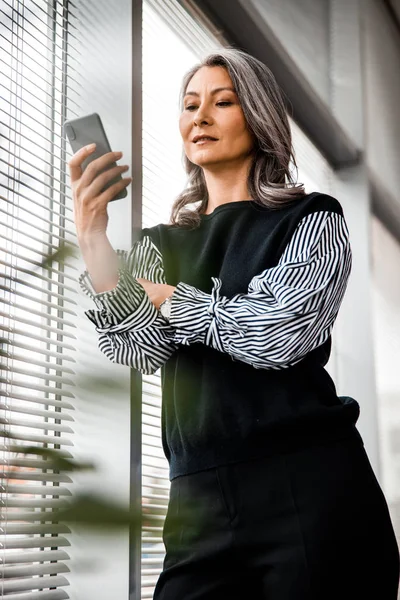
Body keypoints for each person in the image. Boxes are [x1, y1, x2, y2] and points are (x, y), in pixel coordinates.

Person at [69, 48, 400, 600]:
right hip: (195, 498)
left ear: (260, 117)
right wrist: (95, 242)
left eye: (222, 102)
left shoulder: (311, 217)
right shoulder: (161, 242)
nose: (199, 117)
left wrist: (172, 298)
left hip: (309, 486)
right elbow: (138, 348)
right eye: (190, 104)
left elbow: (278, 333)